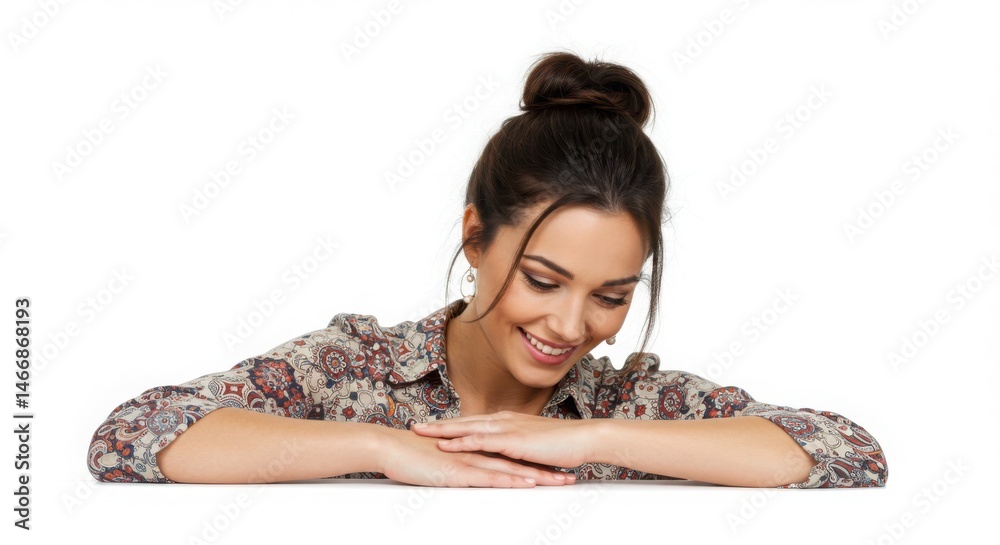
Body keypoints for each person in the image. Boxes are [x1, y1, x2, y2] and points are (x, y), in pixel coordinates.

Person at [87, 51, 887, 489]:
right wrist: (381, 447)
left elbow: (848, 450)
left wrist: (587, 437)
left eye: (611, 295)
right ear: (476, 237)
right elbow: (132, 433)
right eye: (543, 279)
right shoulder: (360, 368)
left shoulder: (631, 402)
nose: (570, 326)